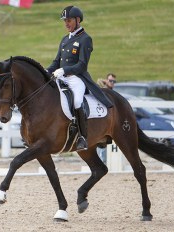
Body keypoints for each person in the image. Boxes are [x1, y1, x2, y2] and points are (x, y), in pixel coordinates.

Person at [47, 6, 113, 151]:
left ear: (77, 20)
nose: (66, 24)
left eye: (69, 20)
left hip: (77, 78)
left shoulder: (85, 39)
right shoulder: (65, 39)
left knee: (77, 101)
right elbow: (56, 61)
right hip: (62, 77)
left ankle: (83, 136)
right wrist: (46, 71)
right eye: (65, 21)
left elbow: (82, 65)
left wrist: (65, 70)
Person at [96, 73, 116, 162]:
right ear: (106, 80)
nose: (112, 83)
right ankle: (101, 161)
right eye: (110, 81)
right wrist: (104, 81)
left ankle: (103, 161)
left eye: (114, 81)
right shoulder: (103, 89)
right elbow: (98, 81)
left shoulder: (113, 91)